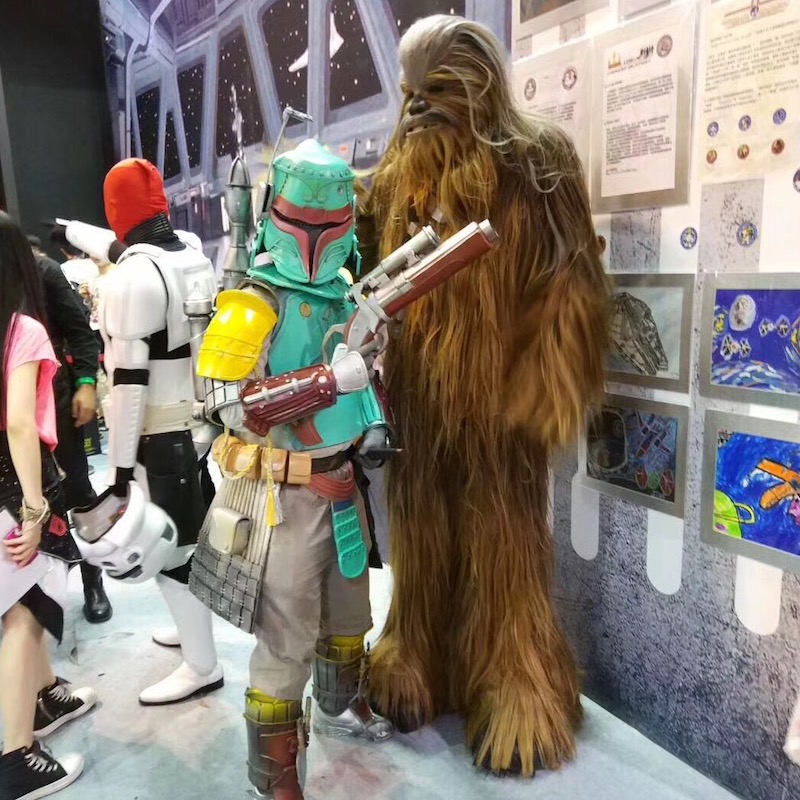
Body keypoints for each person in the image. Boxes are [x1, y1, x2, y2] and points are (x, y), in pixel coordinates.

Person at [357, 16, 611, 777]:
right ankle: (414, 655)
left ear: (480, 89)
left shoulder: (536, 161)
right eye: (409, 94)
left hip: (500, 415)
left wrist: (543, 391)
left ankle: (518, 683)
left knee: (504, 541)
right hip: (420, 406)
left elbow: (573, 280)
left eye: (436, 91)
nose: (416, 110)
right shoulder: (395, 175)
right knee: (419, 533)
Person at [190, 139, 395, 799]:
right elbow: (229, 405)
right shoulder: (252, 302)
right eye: (305, 222)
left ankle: (341, 701)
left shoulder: (343, 293)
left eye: (331, 224)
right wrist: (325, 383)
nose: (316, 238)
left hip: (341, 484)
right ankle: (276, 772)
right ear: (276, 211)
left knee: (351, 609)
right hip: (283, 494)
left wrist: (371, 411)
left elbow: (362, 380)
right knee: (285, 637)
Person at [58, 159, 222, 705]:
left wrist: (120, 470)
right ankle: (192, 635)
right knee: (183, 541)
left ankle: (202, 664)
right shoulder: (190, 253)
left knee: (168, 550)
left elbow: (129, 386)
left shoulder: (133, 280)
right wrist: (73, 231)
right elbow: (120, 246)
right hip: (195, 425)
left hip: (155, 434)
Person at [0, 212, 96, 800]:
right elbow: (18, 423)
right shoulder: (23, 330)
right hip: (14, 487)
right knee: (25, 612)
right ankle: (15, 757)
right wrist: (34, 510)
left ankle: (44, 696)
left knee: (26, 600)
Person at [27, 235, 111, 623]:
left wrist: (87, 383)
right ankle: (37, 593)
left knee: (77, 490)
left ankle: (94, 581)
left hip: (55, 399)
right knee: (24, 501)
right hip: (10, 410)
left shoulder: (41, 270)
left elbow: (80, 331)